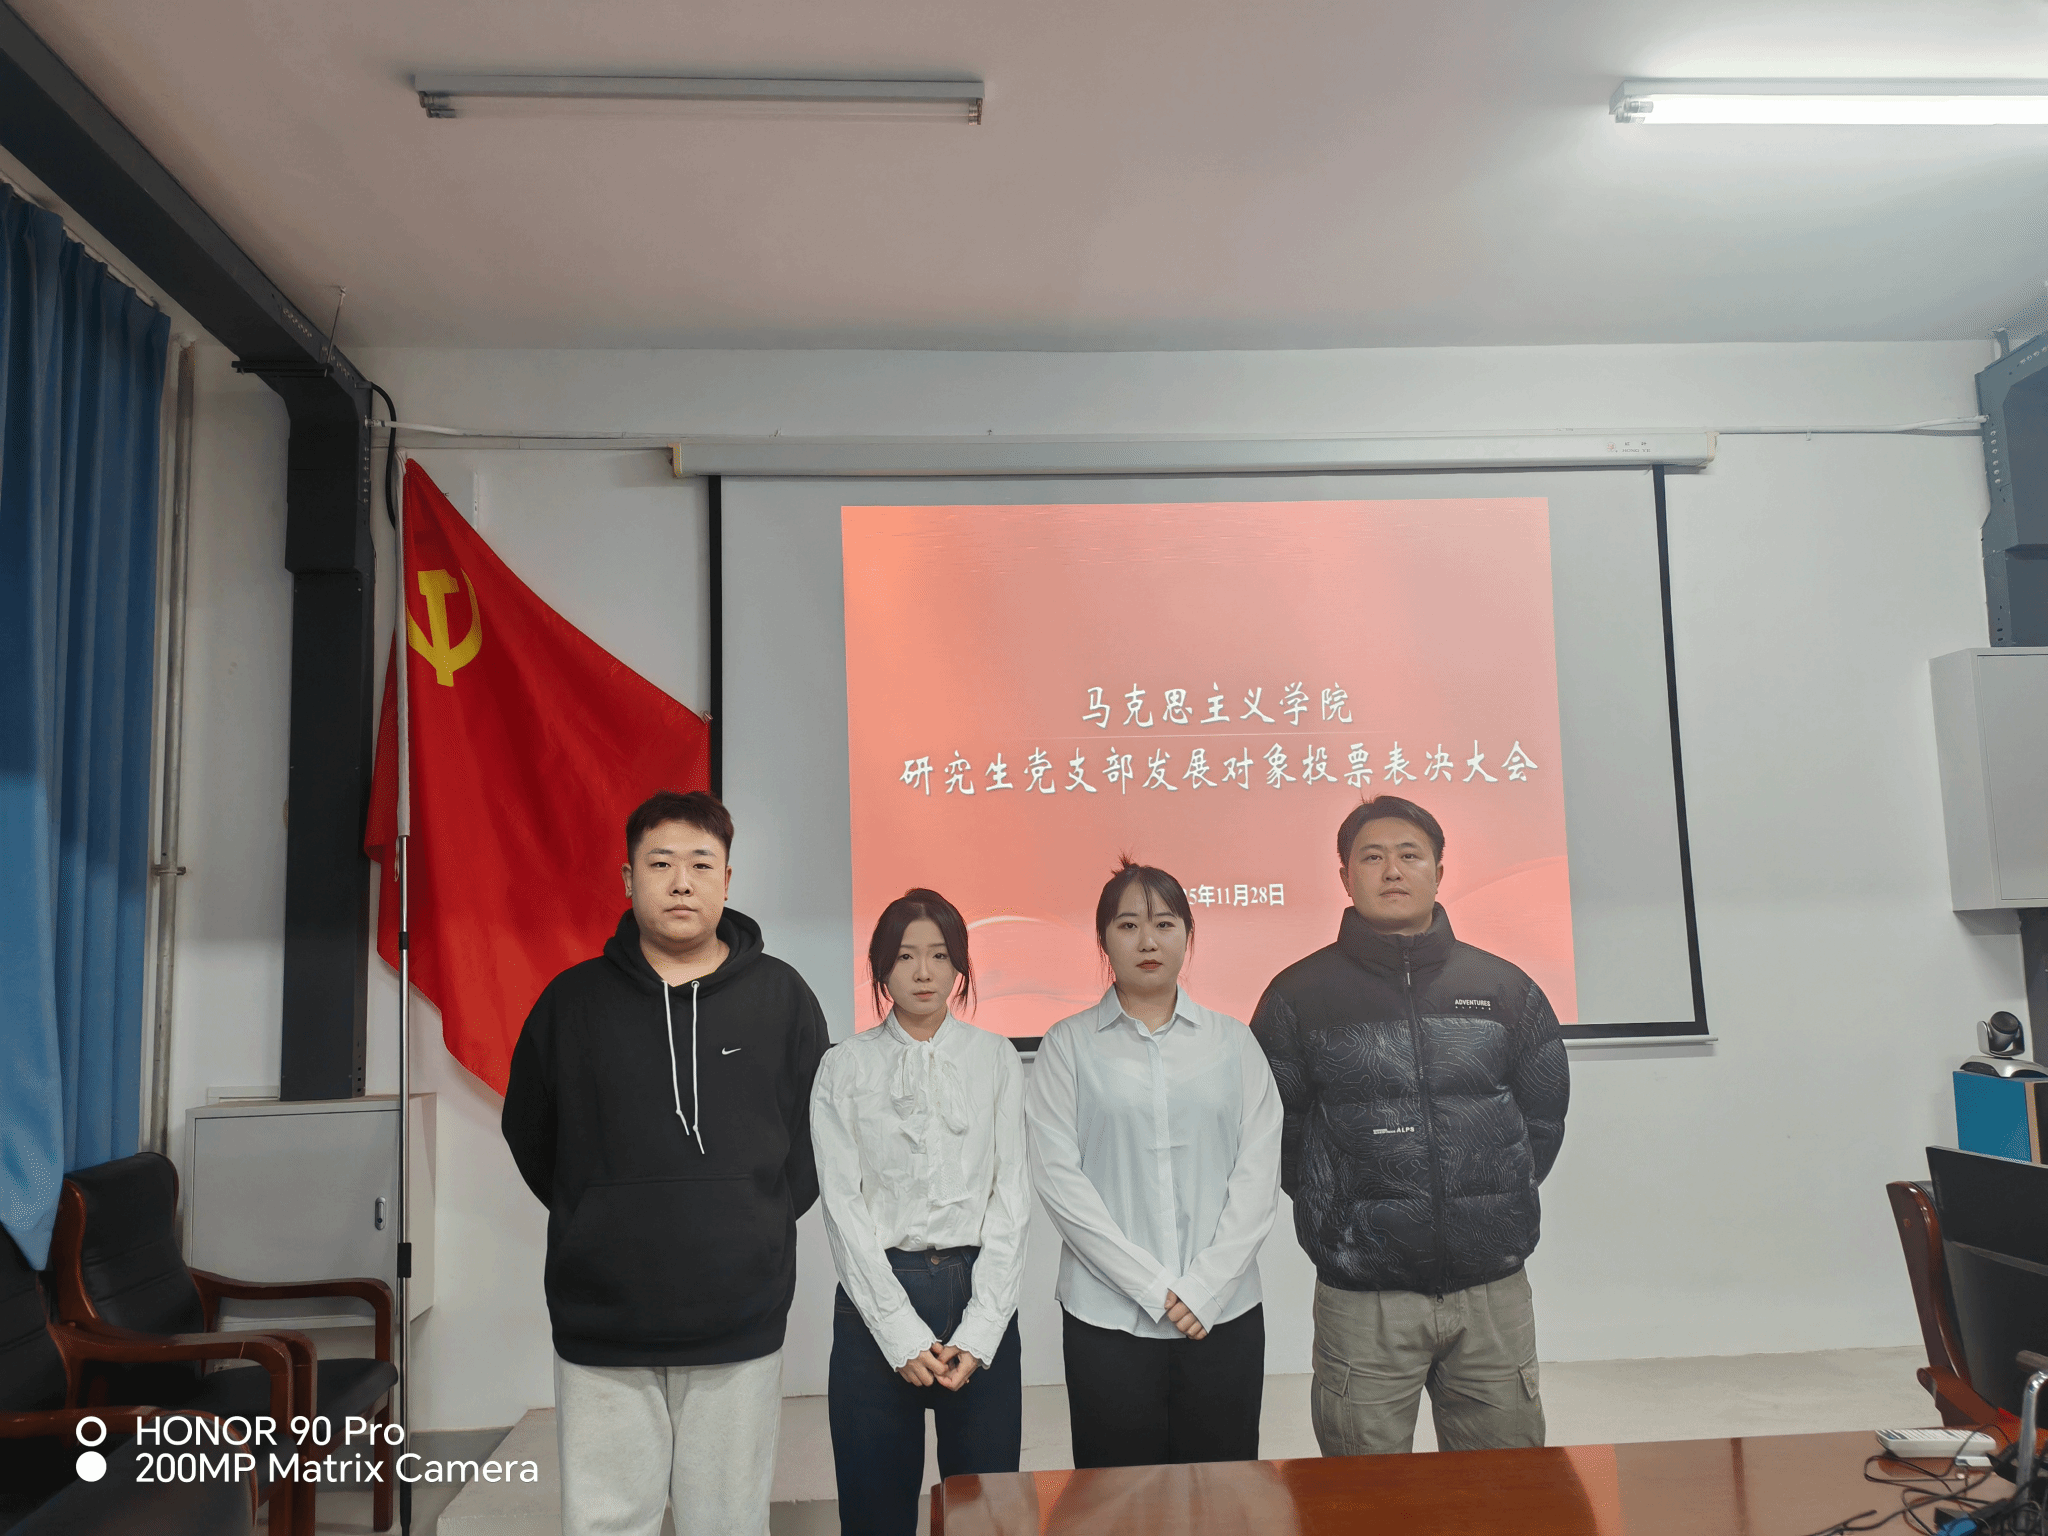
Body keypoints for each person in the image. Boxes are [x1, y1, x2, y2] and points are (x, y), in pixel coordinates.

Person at [501, 788, 829, 1536]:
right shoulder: (571, 1003)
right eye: (660, 864)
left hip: (740, 1317)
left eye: (701, 864)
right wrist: (601, 1212)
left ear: (727, 879)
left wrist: (754, 1219)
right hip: (602, 1322)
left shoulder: (782, 997)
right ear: (627, 879)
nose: (681, 882)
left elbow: (817, 1137)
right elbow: (533, 1135)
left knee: (729, 1522)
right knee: (606, 1522)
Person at [1250, 795, 1570, 1458]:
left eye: (1409, 855)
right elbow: (1278, 1132)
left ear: (1439, 871)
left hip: (1490, 1292)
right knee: (1364, 1497)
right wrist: (1343, 1209)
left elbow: (1541, 1119)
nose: (1392, 870)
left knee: (1506, 1490)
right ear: (1345, 876)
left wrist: (1479, 1198)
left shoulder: (1505, 989)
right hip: (1363, 1300)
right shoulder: (1298, 997)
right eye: (1372, 857)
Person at [1024, 859, 1283, 1469]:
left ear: (1188, 936)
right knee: (1117, 1499)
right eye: (1128, 925)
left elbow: (1258, 1173)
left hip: (1223, 1314)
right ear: (1103, 939)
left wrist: (1206, 1286)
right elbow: (1060, 1181)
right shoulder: (1068, 1045)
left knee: (1223, 1493)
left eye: (1165, 923)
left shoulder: (1232, 1042)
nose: (1148, 940)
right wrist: (1152, 1287)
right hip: (1107, 1317)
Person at [810, 889, 1029, 1535]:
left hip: (976, 1289)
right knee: (875, 1512)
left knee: (984, 1512)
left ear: (960, 964)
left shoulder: (994, 1057)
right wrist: (898, 1332)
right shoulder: (844, 1066)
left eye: (939, 955)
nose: (924, 972)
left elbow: (1011, 1197)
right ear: (881, 966)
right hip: (875, 1296)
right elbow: (842, 1208)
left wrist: (982, 1329)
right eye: (905, 956)